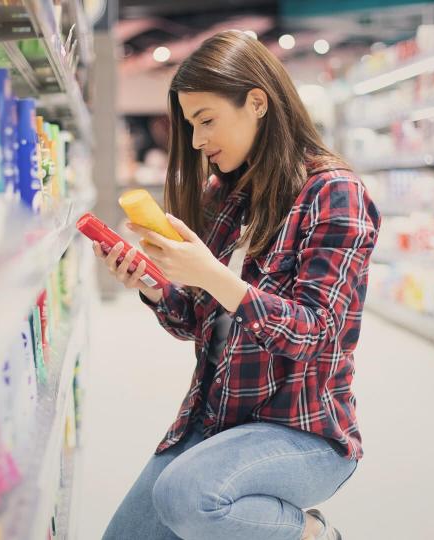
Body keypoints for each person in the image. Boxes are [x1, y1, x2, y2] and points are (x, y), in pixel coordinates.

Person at [94, 30, 380, 540]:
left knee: (186, 497)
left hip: (302, 432)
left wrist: (213, 276)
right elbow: (196, 323)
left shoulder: (335, 194)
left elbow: (316, 334)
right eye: (191, 125)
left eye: (206, 121)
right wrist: (158, 286)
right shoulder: (224, 194)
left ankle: (313, 534)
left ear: (256, 103)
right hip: (214, 419)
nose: (198, 140)